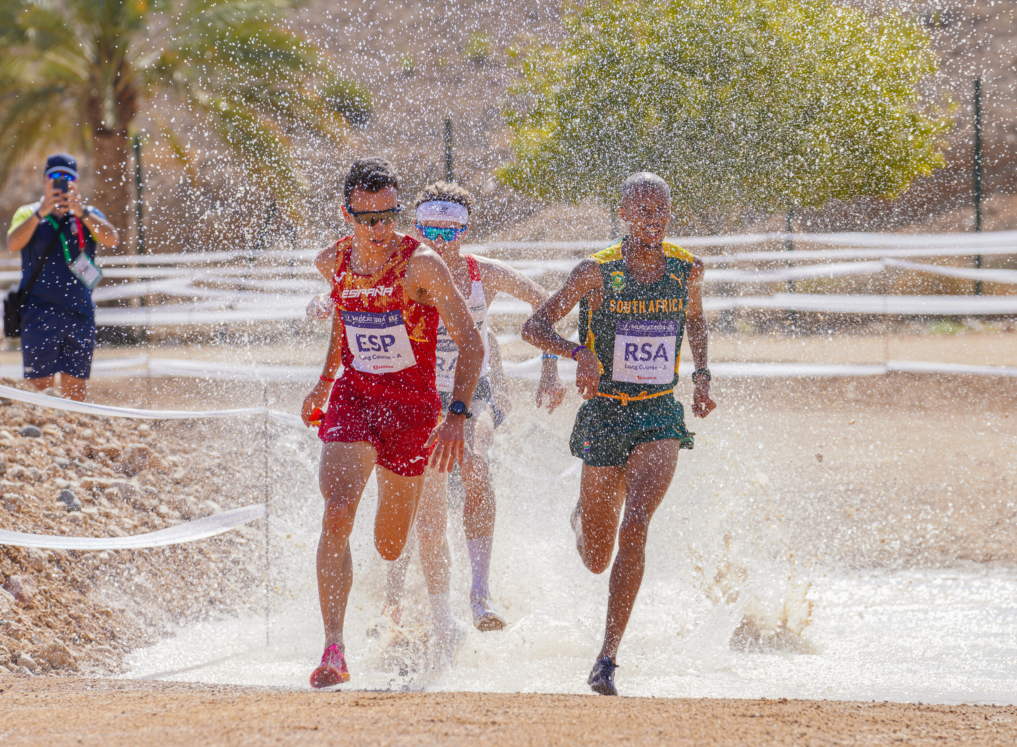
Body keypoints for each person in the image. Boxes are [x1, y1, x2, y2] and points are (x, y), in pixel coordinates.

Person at [521, 172, 716, 696]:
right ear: (624, 214)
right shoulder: (596, 271)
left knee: (637, 523)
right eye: (642, 211)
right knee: (595, 558)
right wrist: (577, 353)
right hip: (605, 414)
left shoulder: (688, 268)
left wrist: (701, 376)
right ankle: (581, 518)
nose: (653, 220)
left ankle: (607, 658)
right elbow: (535, 327)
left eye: (661, 210)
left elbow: (696, 321)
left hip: (658, 413)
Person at [300, 157, 485, 689]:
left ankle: (422, 613)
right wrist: (325, 380)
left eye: (389, 216)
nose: (380, 229)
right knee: (338, 511)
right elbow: (343, 317)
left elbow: (471, 343)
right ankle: (334, 648)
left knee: (388, 544)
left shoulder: (421, 265)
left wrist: (457, 415)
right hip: (356, 397)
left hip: (412, 411)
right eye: (368, 219)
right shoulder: (332, 261)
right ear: (347, 214)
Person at [378, 182, 565, 648]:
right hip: (419, 395)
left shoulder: (485, 273)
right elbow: (355, 297)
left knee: (477, 464)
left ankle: (481, 593)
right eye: (430, 231)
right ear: (416, 228)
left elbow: (547, 303)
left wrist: (549, 366)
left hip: (472, 392)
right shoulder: (402, 269)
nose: (440, 241)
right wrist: (326, 302)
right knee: (421, 501)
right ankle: (392, 602)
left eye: (451, 231)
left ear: (465, 230)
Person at [6, 153, 119, 401]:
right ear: (44, 180)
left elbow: (112, 239)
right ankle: (41, 427)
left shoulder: (88, 213)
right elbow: (13, 243)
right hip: (38, 313)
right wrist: (41, 213)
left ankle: (70, 427)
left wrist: (82, 212)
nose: (62, 182)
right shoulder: (28, 212)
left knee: (76, 391)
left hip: (79, 313)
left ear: (76, 182)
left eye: (68, 177)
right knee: (39, 389)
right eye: (55, 176)